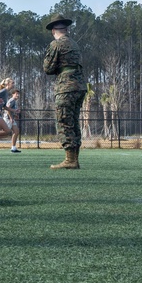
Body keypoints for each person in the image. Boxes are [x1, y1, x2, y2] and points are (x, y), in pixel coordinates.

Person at [42, 13, 85, 170]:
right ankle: (75, 159)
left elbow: (48, 68)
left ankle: (70, 160)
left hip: (65, 87)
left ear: (53, 30)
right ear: (66, 28)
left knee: (63, 122)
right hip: (80, 86)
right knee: (73, 122)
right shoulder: (75, 44)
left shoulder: (56, 45)